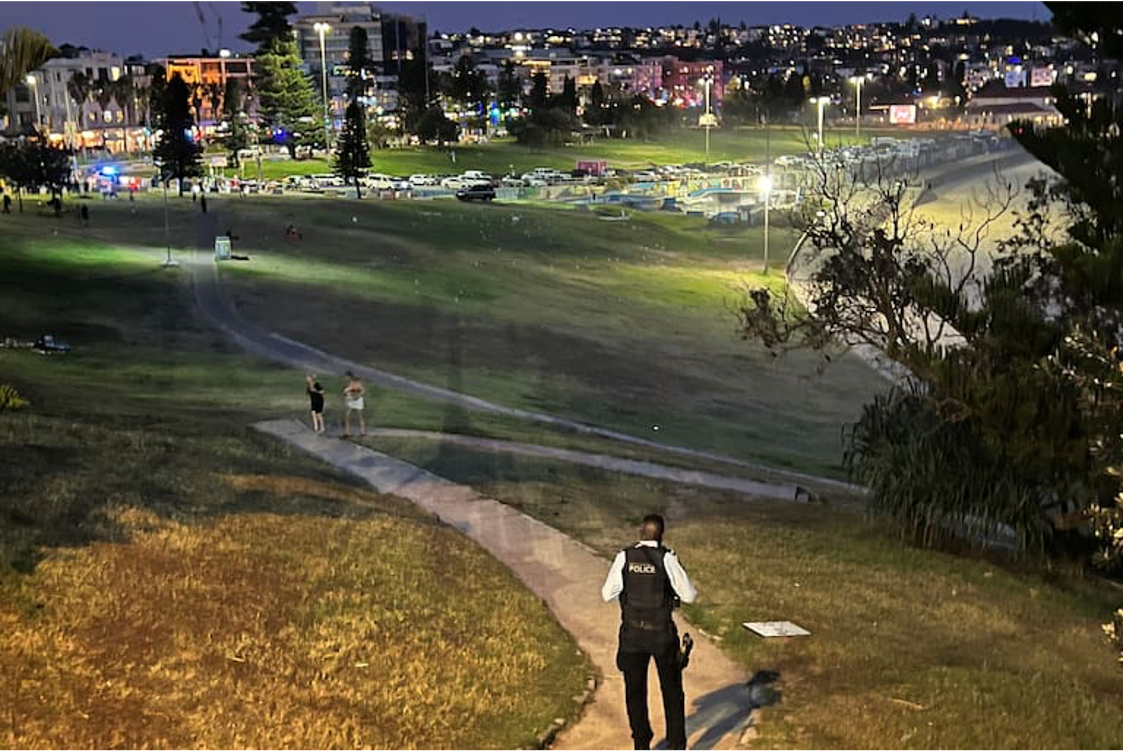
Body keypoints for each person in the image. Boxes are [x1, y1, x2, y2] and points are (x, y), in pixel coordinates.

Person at [602, 514, 696, 752]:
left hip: (632, 635)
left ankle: (641, 743)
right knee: (672, 691)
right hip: (661, 635)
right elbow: (689, 596)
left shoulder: (624, 556)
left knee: (634, 692)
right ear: (660, 535)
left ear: (641, 532)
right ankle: (676, 744)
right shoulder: (667, 558)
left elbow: (607, 593)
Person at [342, 371, 366, 437]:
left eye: (346, 377)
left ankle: (362, 432)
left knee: (360, 416)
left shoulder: (356, 383)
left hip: (357, 400)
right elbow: (347, 392)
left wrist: (357, 396)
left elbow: (363, 391)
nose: (345, 378)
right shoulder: (349, 383)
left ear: (349, 376)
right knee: (347, 416)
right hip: (350, 401)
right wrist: (346, 394)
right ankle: (347, 432)